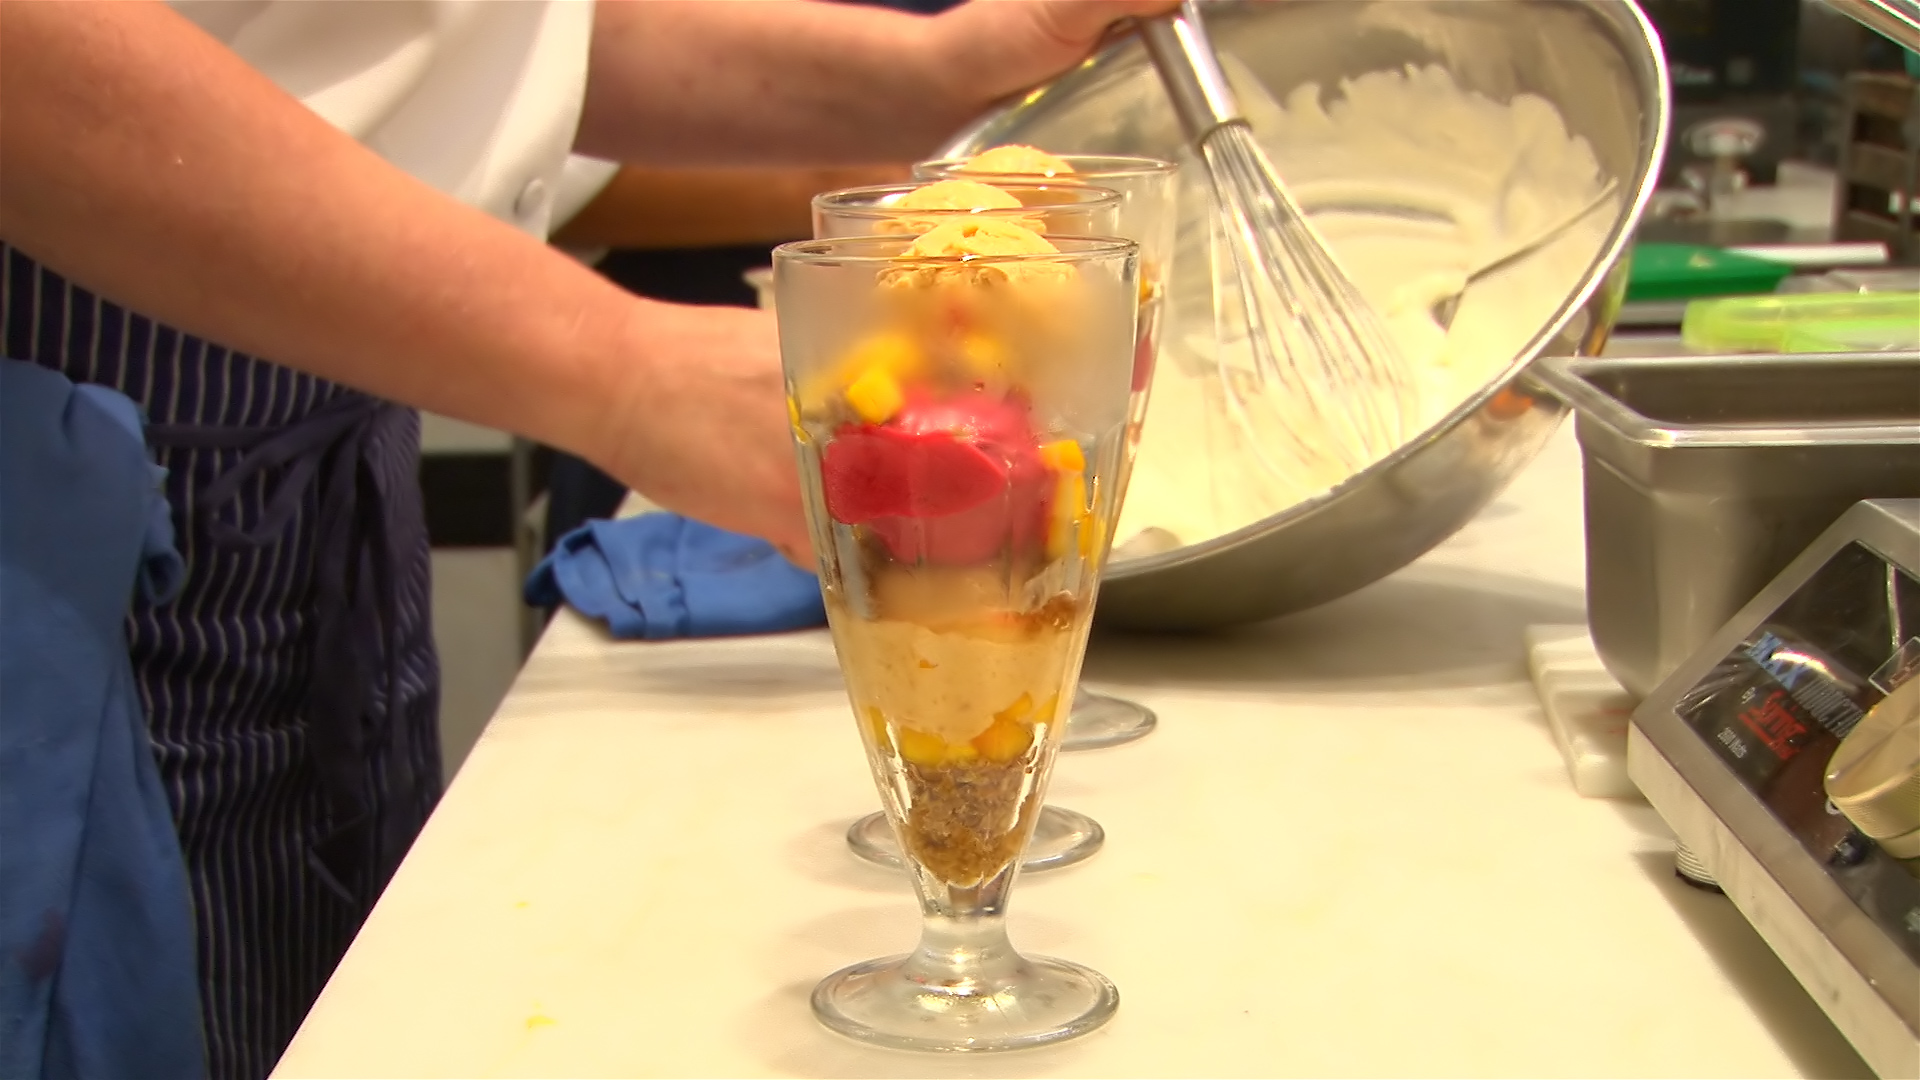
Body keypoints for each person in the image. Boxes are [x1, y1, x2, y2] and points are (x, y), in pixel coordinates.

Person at [0, 1, 1175, 1076]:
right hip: (70, 460)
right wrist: (615, 371)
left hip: (337, 438)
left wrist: (930, 72)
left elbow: (489, 30)